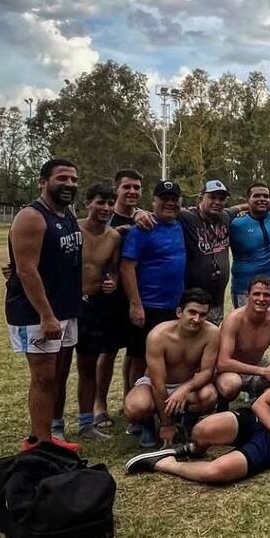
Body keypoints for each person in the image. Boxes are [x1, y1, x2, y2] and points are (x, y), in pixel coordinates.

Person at [125, 347, 270, 483]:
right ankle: (190, 450)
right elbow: (261, 404)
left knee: (217, 472)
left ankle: (165, 463)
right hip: (262, 423)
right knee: (203, 429)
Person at [5, 158, 83, 448]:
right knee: (42, 377)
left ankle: (47, 436)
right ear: (43, 182)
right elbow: (26, 270)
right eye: (62, 178)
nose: (69, 185)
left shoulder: (66, 214)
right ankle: (39, 444)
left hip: (65, 308)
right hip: (37, 314)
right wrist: (46, 316)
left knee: (57, 375)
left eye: (74, 179)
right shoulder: (31, 217)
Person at [122, 289, 220, 448]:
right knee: (136, 407)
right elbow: (157, 382)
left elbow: (207, 372)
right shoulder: (158, 336)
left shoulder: (211, 333)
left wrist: (186, 388)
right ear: (179, 312)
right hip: (154, 384)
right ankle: (149, 425)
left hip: (187, 382)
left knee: (208, 396)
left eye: (202, 315)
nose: (197, 319)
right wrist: (166, 423)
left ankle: (188, 422)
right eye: (192, 312)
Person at [133, 179, 237, 325]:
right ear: (200, 198)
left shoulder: (226, 216)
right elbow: (160, 211)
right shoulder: (186, 217)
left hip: (216, 302)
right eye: (212, 197)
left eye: (221, 198)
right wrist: (137, 212)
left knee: (210, 342)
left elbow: (243, 207)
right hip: (191, 301)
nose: (217, 202)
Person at [120, 180, 187, 396]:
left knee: (167, 357)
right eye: (164, 199)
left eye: (173, 199)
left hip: (174, 306)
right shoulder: (143, 228)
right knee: (139, 357)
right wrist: (135, 304)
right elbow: (127, 267)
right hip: (148, 305)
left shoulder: (180, 225)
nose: (169, 203)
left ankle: (158, 401)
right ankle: (133, 406)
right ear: (154, 201)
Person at [71, 184, 121, 441]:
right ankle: (54, 426)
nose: (106, 208)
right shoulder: (72, 228)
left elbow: (112, 269)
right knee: (55, 370)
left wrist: (112, 280)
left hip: (93, 305)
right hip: (66, 305)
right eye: (101, 202)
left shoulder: (113, 237)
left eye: (110, 203)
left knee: (88, 366)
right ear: (88, 202)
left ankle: (85, 423)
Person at [96, 168, 145, 428]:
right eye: (127, 187)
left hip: (137, 294)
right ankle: (99, 406)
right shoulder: (105, 218)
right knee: (108, 352)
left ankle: (130, 399)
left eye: (136, 187)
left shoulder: (144, 218)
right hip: (110, 299)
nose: (132, 192)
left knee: (136, 353)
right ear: (116, 189)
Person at [214, 276, 270, 404]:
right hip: (232, 370)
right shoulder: (234, 319)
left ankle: (264, 400)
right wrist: (262, 371)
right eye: (256, 294)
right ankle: (222, 406)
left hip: (259, 364)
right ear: (247, 296)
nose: (261, 299)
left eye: (266, 295)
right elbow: (223, 362)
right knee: (231, 385)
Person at [229, 182, 270, 310]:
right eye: (256, 196)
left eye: (265, 196)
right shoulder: (235, 224)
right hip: (245, 289)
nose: (262, 199)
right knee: (249, 329)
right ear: (248, 200)